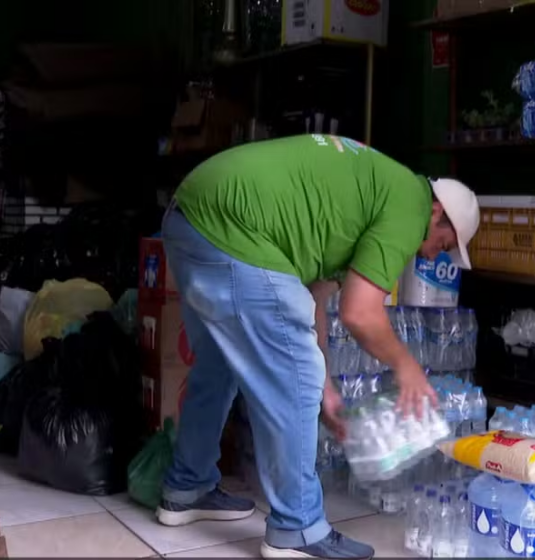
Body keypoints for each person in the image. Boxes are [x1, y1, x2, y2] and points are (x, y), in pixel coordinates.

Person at [154, 134, 480, 559]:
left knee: (220, 365)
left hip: (191, 218)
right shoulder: (409, 205)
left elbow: (315, 302)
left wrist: (326, 386)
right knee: (295, 377)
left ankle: (188, 486)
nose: (438, 253)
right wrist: (407, 366)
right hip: (232, 227)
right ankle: (297, 528)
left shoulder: (371, 192)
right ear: (437, 211)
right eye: (446, 243)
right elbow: (360, 313)